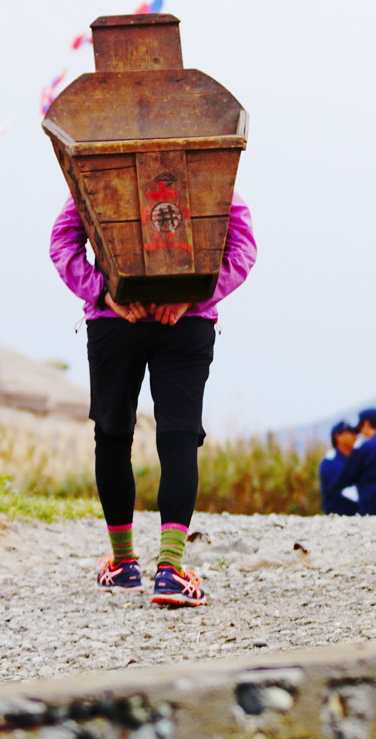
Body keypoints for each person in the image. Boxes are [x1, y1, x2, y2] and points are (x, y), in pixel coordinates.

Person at [50, 191, 256, 606]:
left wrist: (103, 292)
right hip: (188, 322)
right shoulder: (209, 172)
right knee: (179, 437)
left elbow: (62, 242)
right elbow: (243, 247)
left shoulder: (98, 173)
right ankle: (169, 572)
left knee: (112, 433)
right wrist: (193, 296)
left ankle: (123, 565)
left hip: (114, 323)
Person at [319, 420, 359, 515]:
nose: (354, 436)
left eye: (355, 433)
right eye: (350, 433)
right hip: (339, 513)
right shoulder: (330, 460)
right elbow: (340, 489)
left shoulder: (358, 456)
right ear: (338, 436)